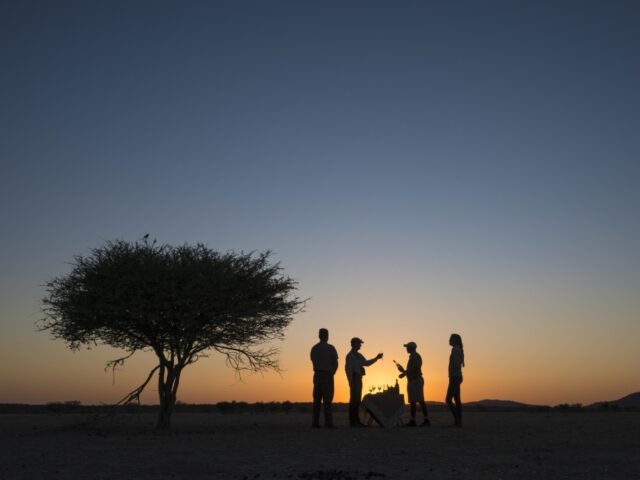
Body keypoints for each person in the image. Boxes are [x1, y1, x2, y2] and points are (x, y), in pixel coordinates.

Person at [345, 337, 383, 427]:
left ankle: (356, 420)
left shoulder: (358, 355)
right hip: (354, 379)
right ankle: (353, 421)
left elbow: (366, 363)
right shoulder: (350, 356)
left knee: (357, 400)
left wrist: (376, 358)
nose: (360, 345)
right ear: (354, 344)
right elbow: (348, 369)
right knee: (354, 400)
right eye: (359, 343)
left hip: (359, 379)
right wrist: (350, 381)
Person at [396, 342, 430, 427]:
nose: (406, 349)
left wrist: (404, 373)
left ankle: (426, 420)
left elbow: (415, 368)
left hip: (416, 381)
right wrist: (403, 371)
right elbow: (412, 370)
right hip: (413, 381)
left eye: (408, 347)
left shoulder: (415, 356)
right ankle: (413, 421)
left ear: (412, 348)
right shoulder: (413, 356)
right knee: (413, 401)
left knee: (420, 401)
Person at [310, 328, 339, 428]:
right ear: (327, 336)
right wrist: (332, 372)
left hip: (317, 375)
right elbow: (335, 363)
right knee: (327, 399)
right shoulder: (331, 348)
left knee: (317, 399)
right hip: (327, 375)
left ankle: (315, 423)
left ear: (319, 336)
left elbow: (313, 360)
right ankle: (328, 423)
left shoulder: (314, 348)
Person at [446, 333, 465, 427]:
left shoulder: (456, 350)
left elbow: (457, 364)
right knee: (457, 399)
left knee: (448, 399)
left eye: (450, 339)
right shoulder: (457, 350)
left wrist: (453, 373)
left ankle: (457, 420)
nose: (449, 340)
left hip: (455, 377)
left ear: (455, 340)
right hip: (456, 377)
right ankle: (459, 422)